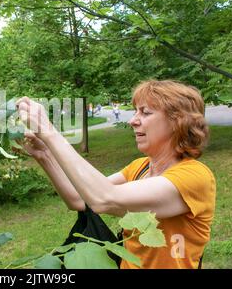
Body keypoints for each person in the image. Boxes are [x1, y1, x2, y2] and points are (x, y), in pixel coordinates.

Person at [16, 80, 215, 269]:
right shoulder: (140, 167)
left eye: (145, 113)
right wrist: (45, 156)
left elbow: (104, 199)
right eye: (135, 112)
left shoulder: (194, 176)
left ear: (177, 122)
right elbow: (79, 200)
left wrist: (49, 131)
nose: (133, 121)